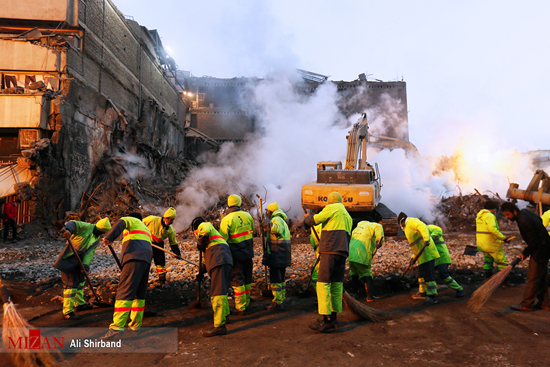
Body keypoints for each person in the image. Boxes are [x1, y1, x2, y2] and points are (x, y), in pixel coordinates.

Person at [304, 192, 352, 332]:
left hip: (329, 250)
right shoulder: (347, 216)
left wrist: (308, 219)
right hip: (342, 253)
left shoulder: (332, 208)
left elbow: (316, 220)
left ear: (330, 202)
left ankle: (326, 321)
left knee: (323, 284)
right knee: (336, 285)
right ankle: (334, 318)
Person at [101, 213, 152, 339]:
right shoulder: (146, 229)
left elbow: (121, 222)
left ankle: (117, 328)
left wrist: (109, 237)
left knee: (125, 291)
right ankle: (135, 326)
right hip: (145, 260)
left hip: (133, 258)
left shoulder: (132, 220)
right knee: (139, 295)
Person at [54, 217, 111, 319]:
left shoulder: (96, 238)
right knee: (70, 285)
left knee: (80, 281)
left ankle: (79, 304)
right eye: (100, 231)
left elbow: (90, 253)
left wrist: (85, 266)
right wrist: (68, 230)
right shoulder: (86, 226)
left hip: (80, 261)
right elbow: (73, 224)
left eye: (102, 232)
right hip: (69, 258)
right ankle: (68, 311)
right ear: (97, 227)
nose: (100, 234)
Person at [501, 202, 550, 311]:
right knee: (540, 277)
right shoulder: (525, 212)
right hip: (545, 247)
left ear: (514, 211)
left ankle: (526, 304)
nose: (507, 217)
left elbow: (534, 242)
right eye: (505, 215)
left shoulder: (523, 221)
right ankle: (545, 303)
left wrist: (524, 253)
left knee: (532, 278)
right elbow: (539, 220)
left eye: (508, 215)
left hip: (540, 250)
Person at [192, 217, 233, 337]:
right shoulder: (214, 238)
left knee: (217, 294)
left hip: (219, 259)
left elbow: (204, 227)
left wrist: (200, 239)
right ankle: (224, 316)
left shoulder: (203, 226)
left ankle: (219, 326)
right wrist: (201, 272)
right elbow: (207, 260)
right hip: (225, 260)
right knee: (222, 291)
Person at [219, 195, 255, 315]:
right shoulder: (248, 215)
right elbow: (253, 231)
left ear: (229, 204)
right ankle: (247, 303)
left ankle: (240, 307)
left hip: (236, 255)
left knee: (237, 281)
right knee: (248, 279)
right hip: (248, 253)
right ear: (239, 203)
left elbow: (222, 240)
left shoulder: (226, 219)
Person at [398, 212, 440, 304]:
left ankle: (432, 296)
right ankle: (422, 292)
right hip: (422, 255)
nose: (402, 229)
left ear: (402, 222)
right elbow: (416, 246)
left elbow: (422, 226)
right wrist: (413, 258)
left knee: (429, 275)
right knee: (421, 274)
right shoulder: (408, 227)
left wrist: (426, 239)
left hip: (427, 253)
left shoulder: (411, 222)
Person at [261, 202, 291, 311]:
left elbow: (276, 230)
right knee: (281, 279)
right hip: (282, 254)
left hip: (277, 253)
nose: (266, 213)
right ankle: (280, 300)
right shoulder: (281, 219)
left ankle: (277, 302)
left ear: (271, 211)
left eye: (267, 211)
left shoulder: (276, 219)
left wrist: (265, 225)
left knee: (276, 279)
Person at [143, 207, 181, 288]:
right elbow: (140, 224)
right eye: (171, 220)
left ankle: (162, 282)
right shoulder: (152, 219)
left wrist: (177, 253)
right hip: (147, 243)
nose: (172, 222)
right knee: (144, 261)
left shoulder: (171, 230)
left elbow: (173, 243)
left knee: (160, 264)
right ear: (166, 218)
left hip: (159, 245)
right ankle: (141, 281)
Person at [348, 221, 384, 302]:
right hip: (362, 254)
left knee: (354, 273)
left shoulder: (357, 228)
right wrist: (379, 242)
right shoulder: (375, 225)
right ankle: (369, 296)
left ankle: (355, 294)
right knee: (366, 273)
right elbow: (380, 235)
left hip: (351, 253)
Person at [476, 200, 511, 279]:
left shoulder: (479, 216)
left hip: (482, 244)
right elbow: (493, 230)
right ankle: (503, 281)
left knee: (488, 261)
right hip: (491, 243)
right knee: (502, 262)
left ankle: (487, 279)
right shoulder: (490, 216)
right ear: (493, 209)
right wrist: (504, 238)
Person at [427, 224, 464, 298]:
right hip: (433, 258)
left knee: (443, 274)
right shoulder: (418, 235)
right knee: (429, 274)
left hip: (442, 256)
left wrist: (432, 237)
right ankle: (432, 290)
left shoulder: (428, 228)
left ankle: (459, 289)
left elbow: (438, 229)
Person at [309, 223, 322, 291]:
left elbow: (313, 243)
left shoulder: (314, 228)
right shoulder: (329, 225)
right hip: (333, 255)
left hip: (322, 257)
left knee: (315, 277)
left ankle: (321, 296)